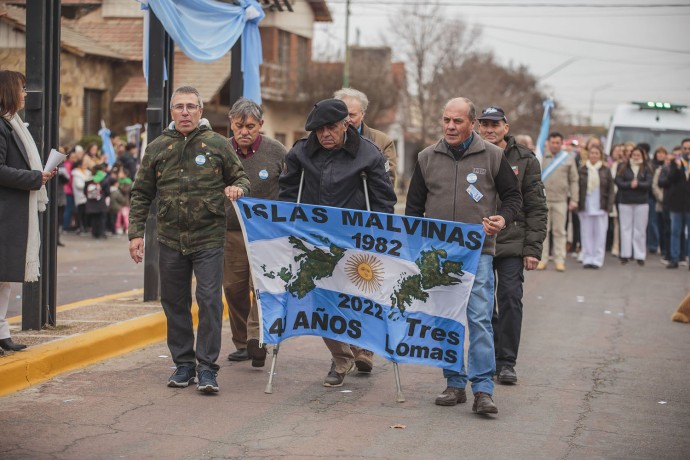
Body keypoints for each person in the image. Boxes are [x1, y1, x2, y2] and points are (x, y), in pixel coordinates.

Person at [129, 86, 250, 393]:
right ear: (171, 112)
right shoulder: (157, 148)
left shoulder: (217, 144)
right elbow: (141, 193)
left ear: (200, 112)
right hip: (170, 239)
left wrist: (237, 188)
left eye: (190, 107)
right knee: (174, 303)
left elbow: (240, 177)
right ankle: (184, 366)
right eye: (179, 107)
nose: (185, 112)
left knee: (209, 302)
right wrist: (136, 234)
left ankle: (207, 369)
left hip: (209, 238)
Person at [405, 97, 522, 415]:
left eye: (457, 121)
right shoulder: (427, 157)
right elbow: (414, 208)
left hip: (478, 252)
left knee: (480, 319)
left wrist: (503, 219)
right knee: (447, 319)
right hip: (438, 254)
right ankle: (454, 383)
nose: (450, 127)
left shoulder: (493, 156)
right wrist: (415, 250)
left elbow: (513, 197)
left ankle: (483, 389)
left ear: (472, 123)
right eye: (446, 120)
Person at [279, 98, 396, 387]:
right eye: (319, 130)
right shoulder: (301, 153)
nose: (325, 135)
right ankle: (342, 357)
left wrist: (378, 236)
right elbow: (287, 193)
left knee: (355, 299)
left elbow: (383, 201)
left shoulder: (368, 154)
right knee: (322, 301)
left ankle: (362, 346)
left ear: (346, 124)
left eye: (331, 128)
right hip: (314, 241)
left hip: (355, 240)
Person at [477, 106, 547, 385]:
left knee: (509, 299)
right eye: (484, 124)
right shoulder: (472, 154)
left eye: (495, 125)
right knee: (482, 306)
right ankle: (490, 358)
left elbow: (537, 207)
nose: (489, 130)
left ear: (506, 127)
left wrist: (533, 249)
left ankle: (506, 362)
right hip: (479, 241)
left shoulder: (526, 159)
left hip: (512, 242)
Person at [224, 98, 286, 368]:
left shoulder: (277, 152)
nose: (244, 131)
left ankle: (256, 337)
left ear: (261, 125)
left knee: (259, 286)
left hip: (266, 233)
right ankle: (242, 343)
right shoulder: (222, 150)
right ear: (231, 125)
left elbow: (291, 187)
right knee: (234, 288)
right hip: (231, 232)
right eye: (239, 126)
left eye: (250, 126)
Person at [0, 70, 57, 354]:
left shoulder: (12, 123)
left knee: (4, 277)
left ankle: (2, 333)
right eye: (22, 89)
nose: (25, 94)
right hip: (4, 214)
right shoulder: (1, 125)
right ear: (10, 91)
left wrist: (40, 175)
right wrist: (35, 178)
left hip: (13, 214)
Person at [333, 87, 398, 187]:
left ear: (362, 114)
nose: (347, 119)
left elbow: (388, 181)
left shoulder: (383, 142)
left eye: (352, 115)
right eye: (343, 114)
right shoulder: (325, 138)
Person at [537, 132, 579, 272]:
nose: (555, 145)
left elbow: (574, 180)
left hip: (561, 200)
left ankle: (559, 260)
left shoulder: (568, 158)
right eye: (552, 142)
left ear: (561, 144)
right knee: (544, 231)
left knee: (560, 231)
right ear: (548, 143)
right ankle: (542, 259)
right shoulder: (542, 157)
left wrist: (574, 199)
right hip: (543, 200)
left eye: (557, 143)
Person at [578, 145, 615, 269]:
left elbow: (611, 189)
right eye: (592, 153)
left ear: (600, 155)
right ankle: (588, 258)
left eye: (596, 153)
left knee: (600, 234)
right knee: (586, 234)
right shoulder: (582, 169)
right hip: (586, 205)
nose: (594, 155)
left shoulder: (606, 170)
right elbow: (577, 187)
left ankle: (597, 259)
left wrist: (609, 206)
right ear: (588, 154)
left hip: (600, 206)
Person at [615, 146, 653, 265]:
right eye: (634, 155)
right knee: (625, 228)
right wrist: (629, 184)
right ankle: (625, 254)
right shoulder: (623, 167)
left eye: (638, 155)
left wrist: (638, 184)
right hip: (625, 201)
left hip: (641, 201)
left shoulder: (646, 168)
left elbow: (649, 183)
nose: (636, 157)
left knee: (640, 229)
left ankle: (639, 255)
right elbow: (618, 181)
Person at [664, 139, 690, 269]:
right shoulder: (675, 163)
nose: (687, 151)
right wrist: (678, 167)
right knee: (675, 231)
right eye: (684, 148)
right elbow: (669, 180)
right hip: (677, 203)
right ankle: (674, 258)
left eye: (689, 149)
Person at [648, 146, 667, 255]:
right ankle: (653, 245)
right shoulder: (651, 166)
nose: (660, 155)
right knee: (653, 222)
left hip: (666, 199)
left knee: (664, 223)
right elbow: (653, 184)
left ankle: (663, 246)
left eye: (662, 153)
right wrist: (659, 196)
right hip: (653, 197)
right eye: (658, 153)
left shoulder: (668, 166)